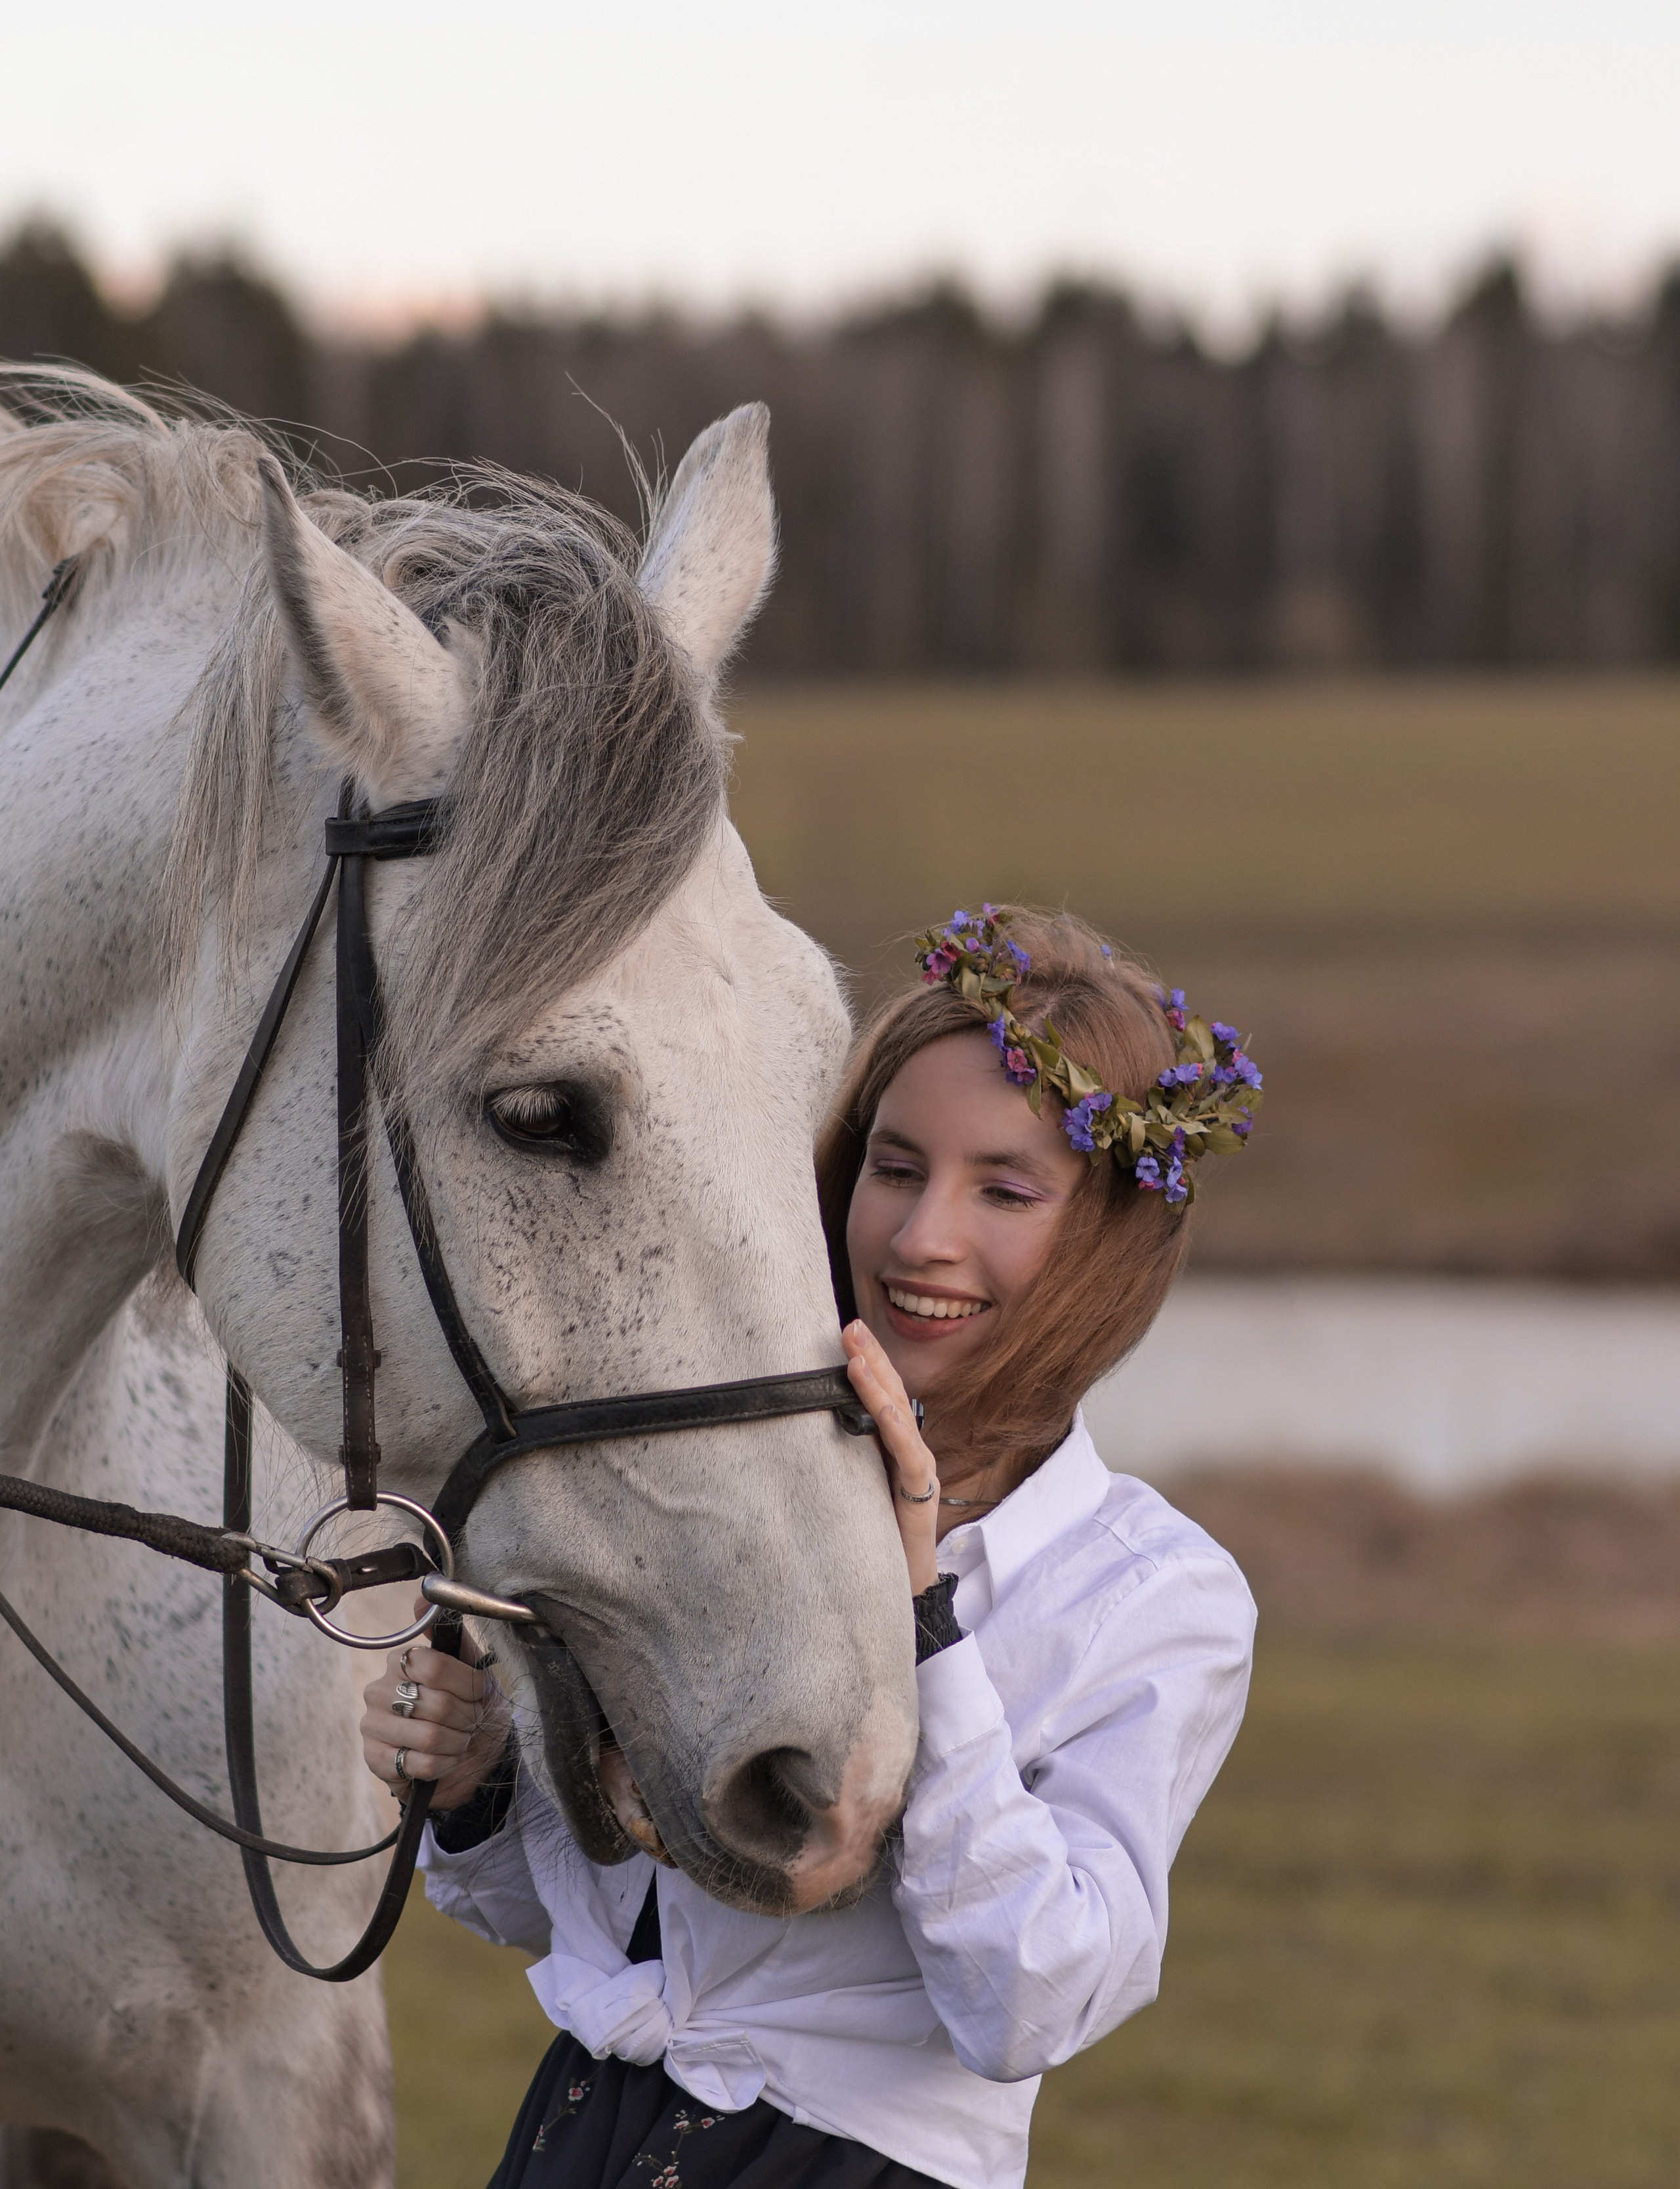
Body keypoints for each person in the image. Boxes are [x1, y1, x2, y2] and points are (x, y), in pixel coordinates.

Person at [361, 905, 1258, 2189]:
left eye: (1002, 1189)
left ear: (1106, 1241)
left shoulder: (1154, 1595)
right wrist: (475, 1783)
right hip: (577, 2132)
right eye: (894, 1168)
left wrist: (917, 1608)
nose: (918, 1237)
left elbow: (1023, 2004)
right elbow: (587, 1918)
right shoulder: (725, 1492)